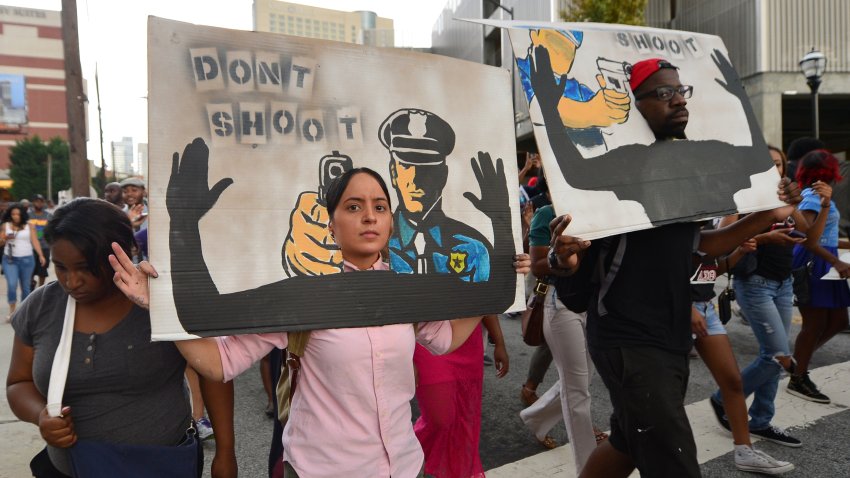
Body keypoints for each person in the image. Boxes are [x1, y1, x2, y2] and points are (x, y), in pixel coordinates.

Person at [111, 166, 530, 477]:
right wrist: (159, 306)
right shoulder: (301, 295)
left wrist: (501, 281)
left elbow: (444, 339)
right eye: (354, 207)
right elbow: (218, 362)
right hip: (322, 470)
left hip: (403, 464)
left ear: (390, 221)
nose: (369, 216)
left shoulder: (408, 290)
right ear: (331, 225)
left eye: (379, 207)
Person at [533, 51, 804, 478]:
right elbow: (571, 181)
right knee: (674, 458)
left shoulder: (687, 168)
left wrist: (767, 214)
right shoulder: (623, 165)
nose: (678, 100)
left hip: (671, 331)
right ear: (636, 106)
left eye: (681, 91)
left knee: (627, 441)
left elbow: (701, 244)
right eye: (663, 93)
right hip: (628, 336)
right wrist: (549, 103)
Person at [5, 199, 200, 477]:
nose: (72, 281)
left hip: (161, 464)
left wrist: (226, 453)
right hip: (71, 468)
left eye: (86, 268)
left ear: (119, 253)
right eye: (61, 267)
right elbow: (18, 382)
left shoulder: (161, 300)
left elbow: (212, 370)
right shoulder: (41, 307)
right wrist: (40, 416)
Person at [693, 223, 795, 474]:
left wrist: (739, 252)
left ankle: (744, 451)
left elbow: (712, 270)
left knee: (732, 383)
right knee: (664, 392)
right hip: (674, 308)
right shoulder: (674, 226)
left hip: (705, 307)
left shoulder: (703, 226)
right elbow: (657, 269)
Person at [520, 200, 607, 473]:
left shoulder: (604, 209)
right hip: (560, 303)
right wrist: (561, 257)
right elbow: (536, 265)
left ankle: (534, 418)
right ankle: (588, 467)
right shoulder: (547, 213)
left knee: (580, 380)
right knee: (577, 391)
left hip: (595, 304)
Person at [788, 149, 850, 403]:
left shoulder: (818, 195)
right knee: (814, 324)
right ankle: (798, 375)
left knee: (838, 321)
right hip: (817, 263)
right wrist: (835, 260)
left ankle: (796, 364)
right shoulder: (814, 198)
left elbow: (823, 236)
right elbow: (806, 238)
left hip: (826, 262)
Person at [0, 203, 46, 319]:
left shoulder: (30, 226)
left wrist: (41, 255)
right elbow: (0, 242)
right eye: (13, 214)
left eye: (18, 214)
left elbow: (35, 241)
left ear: (22, 215)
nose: (15, 216)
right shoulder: (6, 225)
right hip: (10, 259)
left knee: (26, 286)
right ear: (10, 215)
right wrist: (4, 238)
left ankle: (23, 311)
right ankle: (12, 310)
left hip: (27, 259)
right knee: (11, 284)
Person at [28, 194, 53, 289]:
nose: (39, 203)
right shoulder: (28, 215)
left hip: (45, 247)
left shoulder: (48, 215)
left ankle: (41, 288)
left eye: (41, 201)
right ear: (33, 203)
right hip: (30, 247)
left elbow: (53, 229)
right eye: (36, 201)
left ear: (43, 203)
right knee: (30, 270)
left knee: (42, 270)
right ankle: (31, 284)